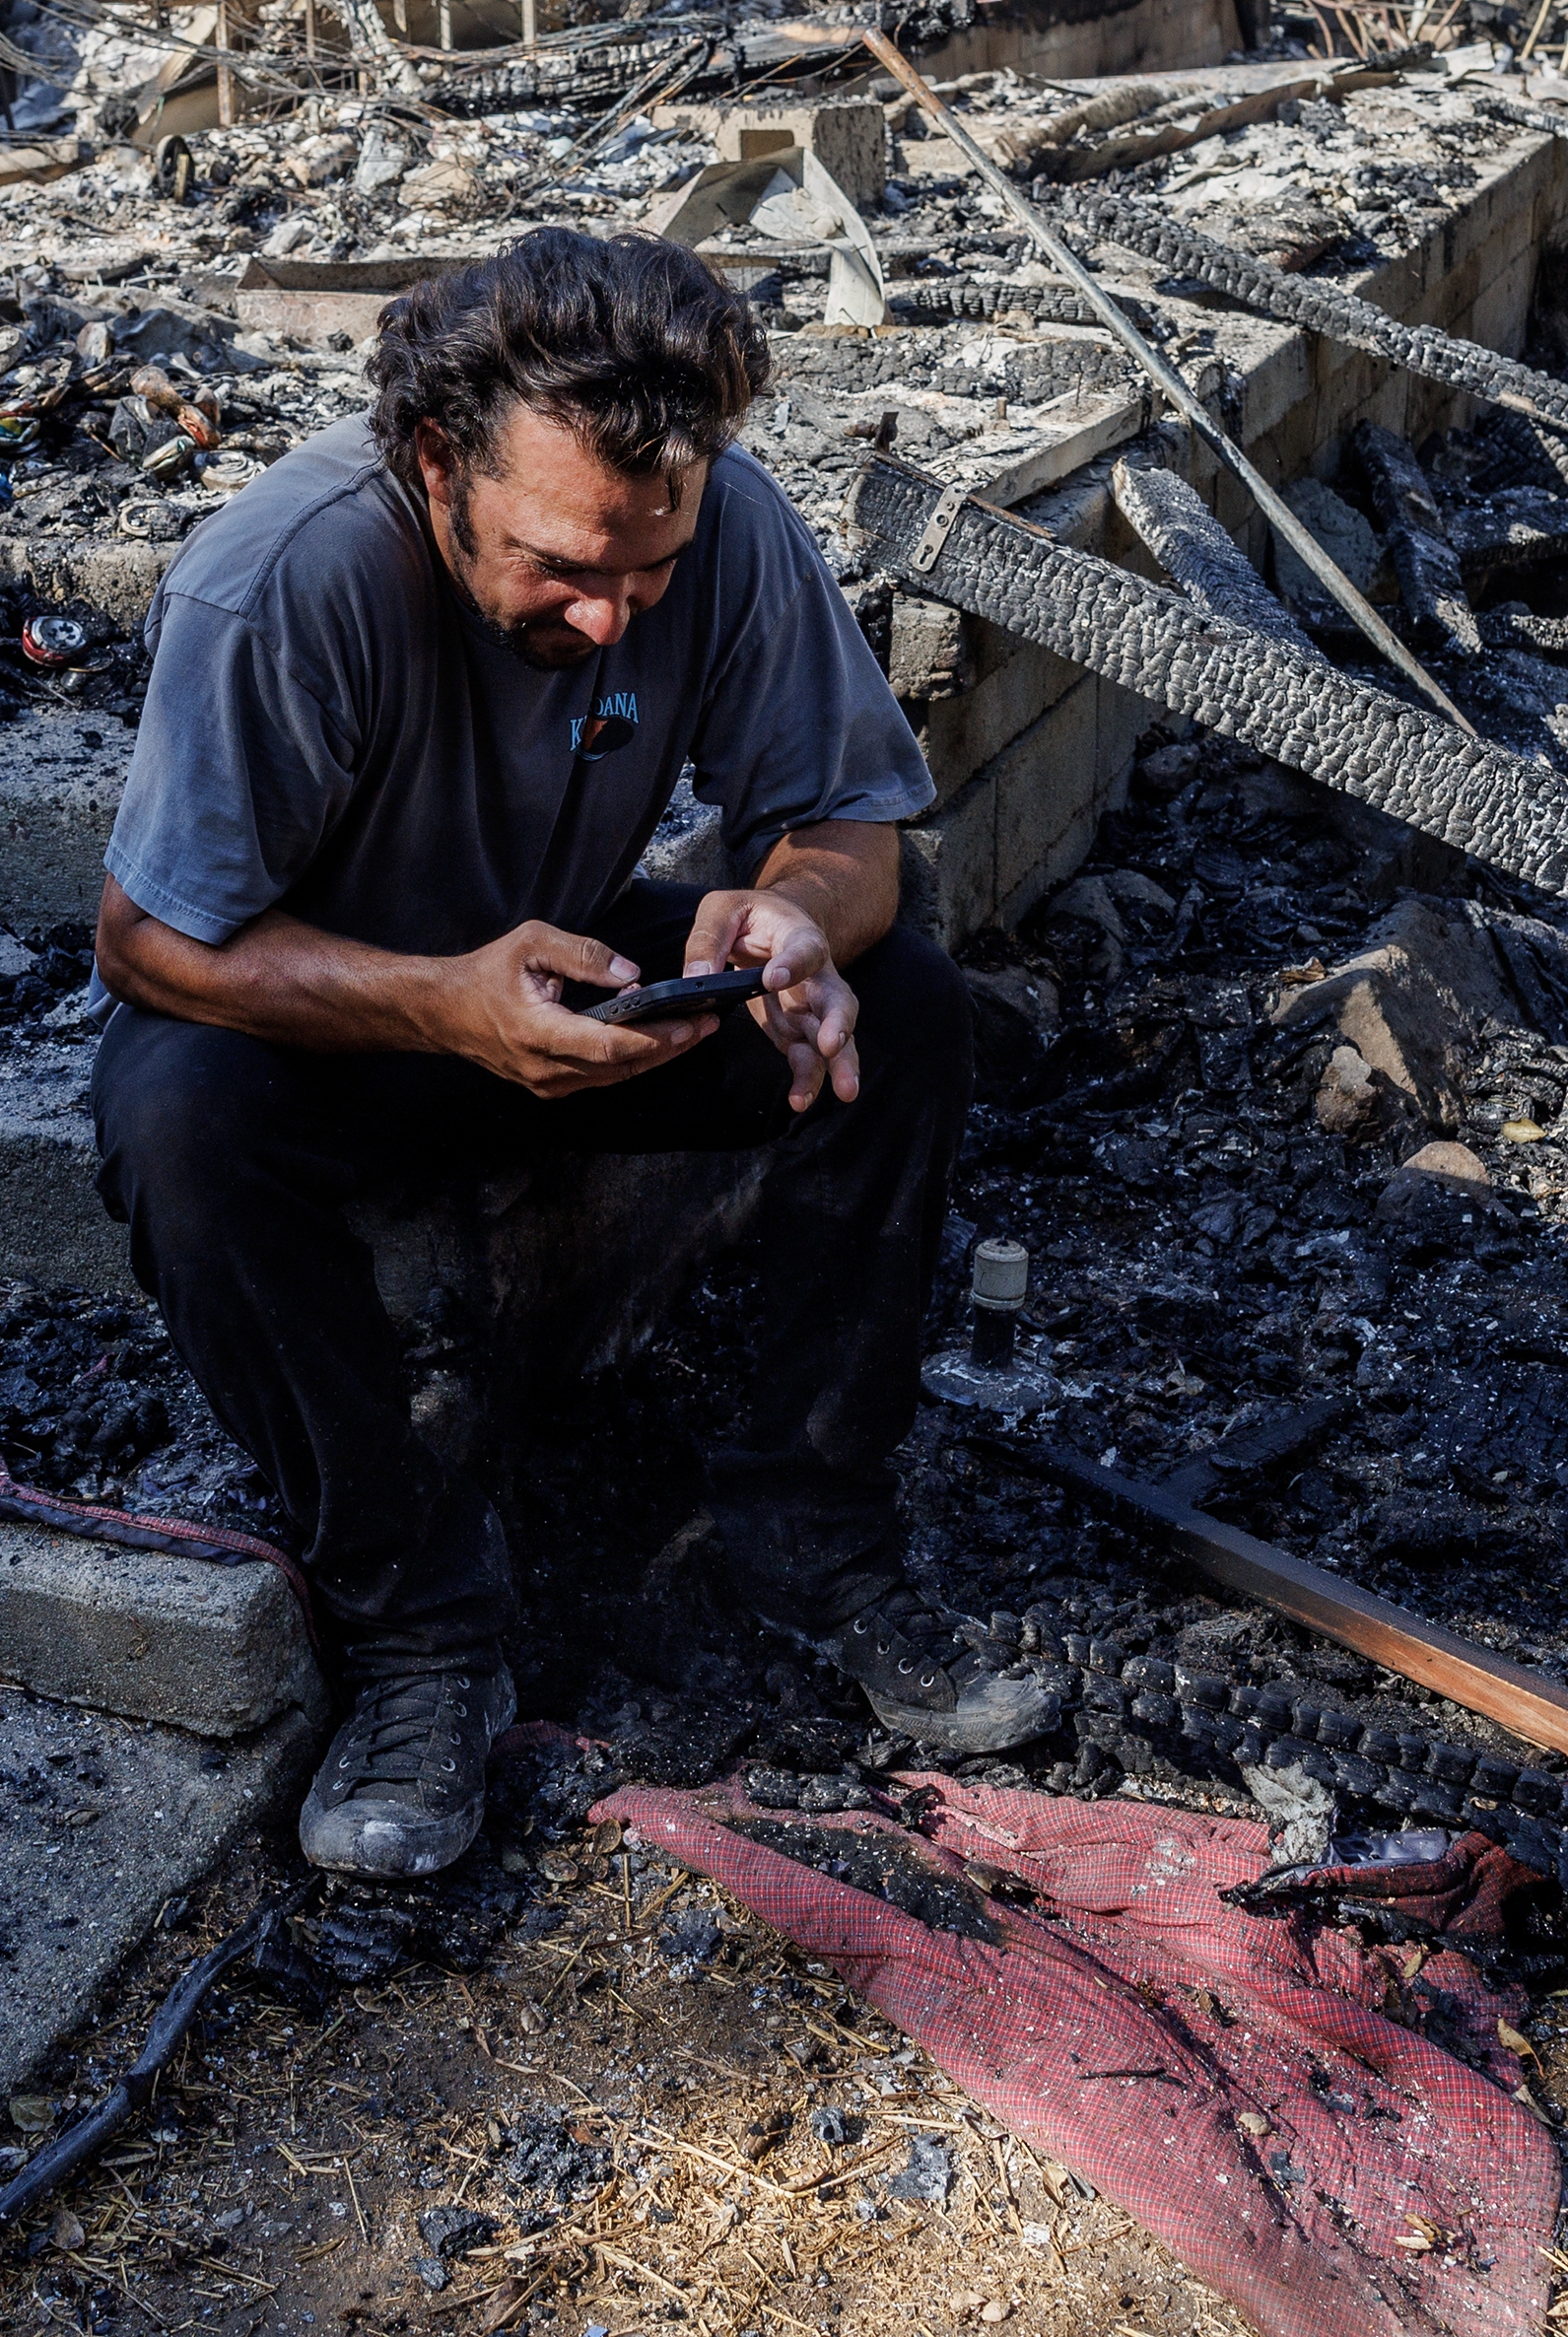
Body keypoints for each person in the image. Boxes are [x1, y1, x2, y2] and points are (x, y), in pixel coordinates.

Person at [89, 228, 1049, 1879]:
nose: (614, 619)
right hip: (323, 1012)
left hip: (564, 956)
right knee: (179, 1126)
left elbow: (853, 832)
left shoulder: (719, 520)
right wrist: (435, 1002)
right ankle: (416, 1634)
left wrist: (792, 917)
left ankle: (810, 1535)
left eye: (649, 573)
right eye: (563, 567)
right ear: (438, 460)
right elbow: (150, 941)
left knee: (902, 1009)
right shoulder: (285, 579)